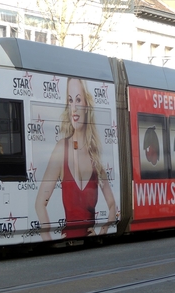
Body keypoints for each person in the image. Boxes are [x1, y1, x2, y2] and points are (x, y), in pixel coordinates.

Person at [35, 78, 116, 241]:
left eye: (78, 100)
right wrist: (49, 241)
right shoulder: (61, 148)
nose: (74, 108)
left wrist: (102, 232)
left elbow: (113, 205)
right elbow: (39, 204)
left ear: (87, 106)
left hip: (90, 247)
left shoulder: (95, 156)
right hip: (68, 246)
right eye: (70, 100)